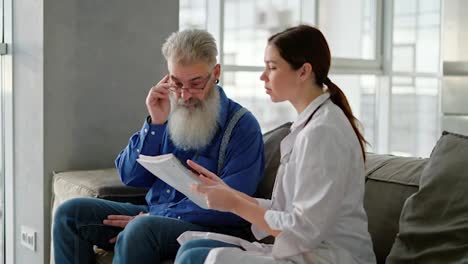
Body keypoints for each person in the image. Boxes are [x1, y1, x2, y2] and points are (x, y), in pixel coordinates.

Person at [53, 29, 265, 264]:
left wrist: (154, 216)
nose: (184, 95)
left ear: (215, 73)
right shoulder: (166, 112)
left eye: (195, 83)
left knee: (142, 227)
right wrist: (155, 123)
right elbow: (129, 176)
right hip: (153, 216)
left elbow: (233, 205)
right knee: (69, 214)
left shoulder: (242, 126)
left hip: (208, 226)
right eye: (177, 82)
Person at [174, 25, 377, 264]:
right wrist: (230, 195)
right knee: (193, 248)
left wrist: (236, 203)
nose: (263, 76)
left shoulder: (323, 132)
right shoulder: (309, 125)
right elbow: (289, 211)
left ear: (303, 72)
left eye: (272, 67)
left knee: (197, 257)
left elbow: (303, 229)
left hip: (330, 257)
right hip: (307, 250)